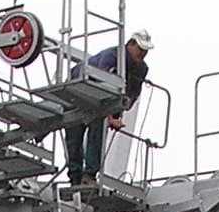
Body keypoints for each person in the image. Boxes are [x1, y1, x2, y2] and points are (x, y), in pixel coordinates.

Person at [62, 29, 152, 188]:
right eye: (140, 49)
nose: (143, 54)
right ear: (130, 44)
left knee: (97, 131)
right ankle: (75, 177)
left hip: (100, 103)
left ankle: (89, 175)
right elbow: (102, 87)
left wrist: (116, 116)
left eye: (145, 51)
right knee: (74, 134)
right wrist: (111, 117)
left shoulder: (141, 69)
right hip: (78, 89)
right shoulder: (111, 56)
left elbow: (131, 94)